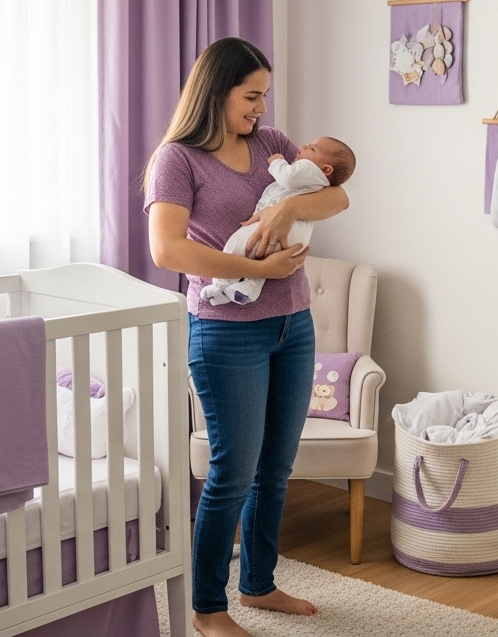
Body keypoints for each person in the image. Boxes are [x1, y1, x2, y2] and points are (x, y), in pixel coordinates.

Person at [144, 37, 349, 637]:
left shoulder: (272, 145)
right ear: (216, 92)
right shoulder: (178, 159)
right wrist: (257, 270)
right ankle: (208, 608)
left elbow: (337, 195)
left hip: (293, 324)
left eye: (264, 95)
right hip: (225, 332)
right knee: (233, 473)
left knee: (275, 469)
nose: (261, 108)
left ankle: (259, 586)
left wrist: (288, 213)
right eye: (251, 96)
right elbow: (167, 250)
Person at [201, 136, 357, 306]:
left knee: (235, 246)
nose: (303, 145)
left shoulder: (307, 167)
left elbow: (288, 177)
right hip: (297, 237)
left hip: (285, 229)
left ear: (326, 169)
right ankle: (248, 290)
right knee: (263, 261)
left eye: (312, 149)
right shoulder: (316, 177)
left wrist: (277, 162)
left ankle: (220, 286)